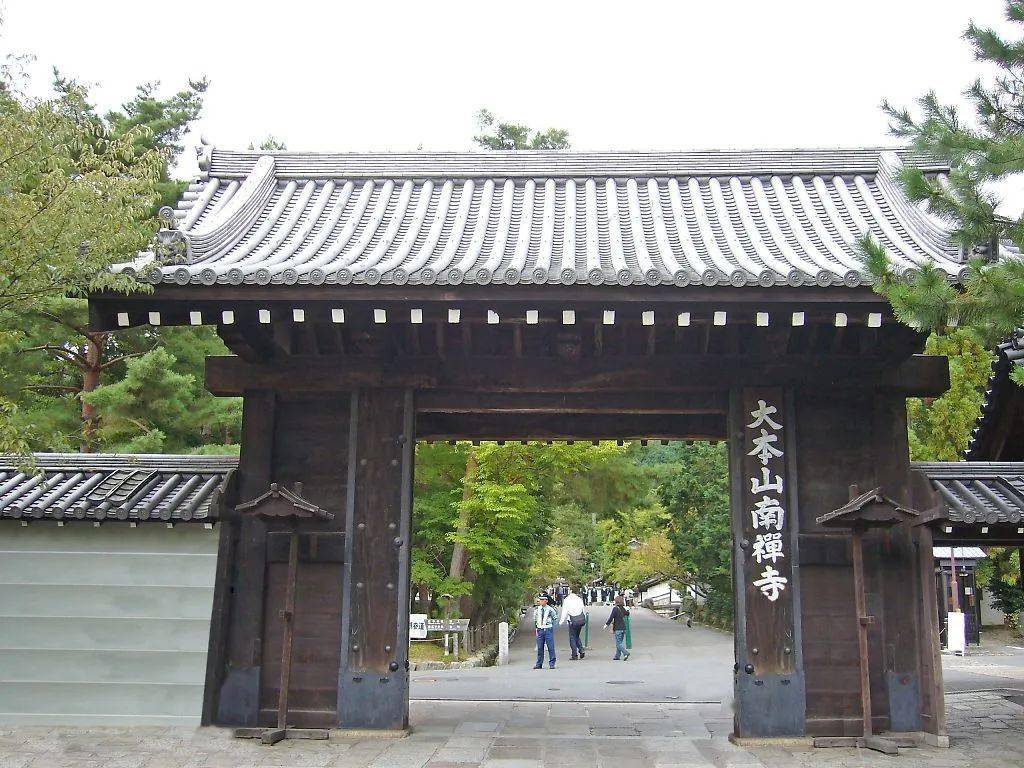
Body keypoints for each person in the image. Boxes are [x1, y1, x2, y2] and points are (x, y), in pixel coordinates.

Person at [559, 586, 587, 660]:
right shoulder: (579, 599)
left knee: (572, 637)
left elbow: (565, 611)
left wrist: (561, 622)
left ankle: (574, 654)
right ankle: (581, 650)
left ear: (570, 591)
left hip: (572, 620)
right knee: (576, 636)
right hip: (580, 620)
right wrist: (584, 618)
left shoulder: (567, 600)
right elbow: (583, 609)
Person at [533, 592, 557, 669]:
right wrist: (537, 627)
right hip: (540, 629)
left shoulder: (550, 609)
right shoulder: (537, 609)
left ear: (546, 601)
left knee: (550, 647)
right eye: (540, 600)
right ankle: (539, 664)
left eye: (543, 600)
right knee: (540, 648)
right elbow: (535, 619)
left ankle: (552, 663)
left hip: (548, 629)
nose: (541, 601)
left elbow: (555, 618)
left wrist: (551, 625)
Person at [605, 594, 630, 661]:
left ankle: (626, 653)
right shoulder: (623, 608)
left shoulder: (615, 608)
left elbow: (611, 617)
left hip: (618, 628)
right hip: (623, 628)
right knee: (619, 642)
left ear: (616, 601)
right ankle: (617, 656)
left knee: (618, 643)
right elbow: (627, 614)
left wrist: (606, 624)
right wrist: (628, 610)